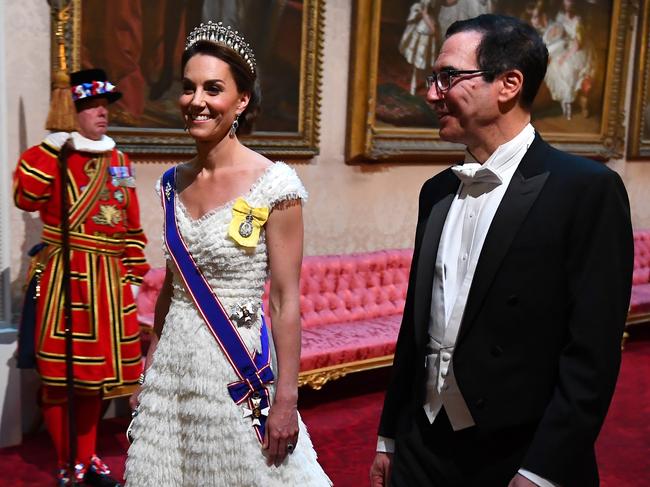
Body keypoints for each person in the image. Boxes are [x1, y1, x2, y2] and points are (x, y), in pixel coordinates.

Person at [370, 14, 632, 487]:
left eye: (447, 77)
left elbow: (592, 352)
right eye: (432, 79)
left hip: (516, 456)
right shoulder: (436, 191)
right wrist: (390, 436)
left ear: (509, 83)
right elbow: (417, 324)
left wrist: (542, 469)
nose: (431, 93)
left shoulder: (587, 190)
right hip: (422, 447)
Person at [124, 21, 331, 486]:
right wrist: (150, 367)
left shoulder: (275, 186)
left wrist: (286, 401)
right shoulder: (170, 184)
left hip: (232, 369)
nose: (196, 100)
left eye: (213, 89)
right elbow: (174, 287)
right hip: (173, 373)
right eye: (189, 87)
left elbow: (284, 300)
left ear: (240, 101)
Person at [13, 68, 150, 486]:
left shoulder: (120, 160)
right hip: (64, 279)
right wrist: (52, 148)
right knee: (60, 379)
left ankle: (88, 457)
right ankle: (66, 460)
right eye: (90, 106)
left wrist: (130, 278)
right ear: (71, 113)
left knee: (93, 383)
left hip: (109, 285)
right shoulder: (52, 156)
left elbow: (132, 228)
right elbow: (25, 196)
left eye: (104, 106)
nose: (101, 113)